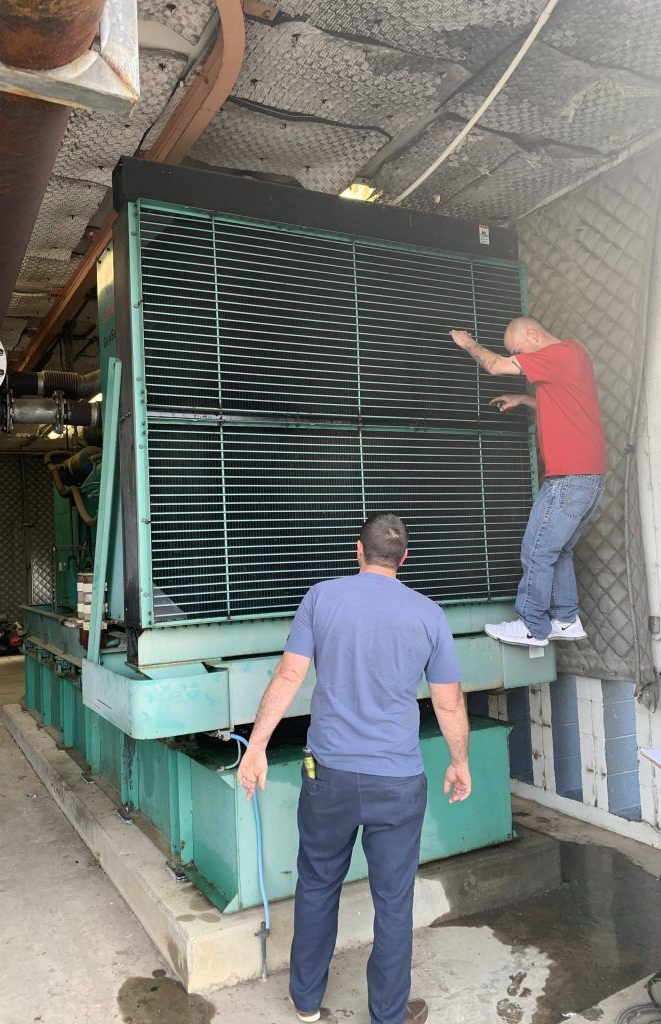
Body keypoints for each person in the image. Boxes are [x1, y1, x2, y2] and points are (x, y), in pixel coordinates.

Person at [237, 513, 471, 1024]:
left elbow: (290, 673)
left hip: (329, 778)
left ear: (358, 551)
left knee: (318, 883)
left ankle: (305, 1002)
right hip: (398, 782)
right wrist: (459, 762)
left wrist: (256, 746)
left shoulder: (322, 597)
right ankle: (388, 1014)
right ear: (404, 558)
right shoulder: (429, 614)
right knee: (394, 900)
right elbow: (449, 703)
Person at [449, 316, 606, 647]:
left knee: (536, 550)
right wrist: (524, 399)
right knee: (559, 550)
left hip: (568, 478)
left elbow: (495, 365)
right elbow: (566, 404)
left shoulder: (558, 354)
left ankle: (533, 625)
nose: (518, 358)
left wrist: (469, 344)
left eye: (517, 350)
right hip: (588, 478)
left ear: (533, 334)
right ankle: (566, 619)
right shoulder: (574, 355)